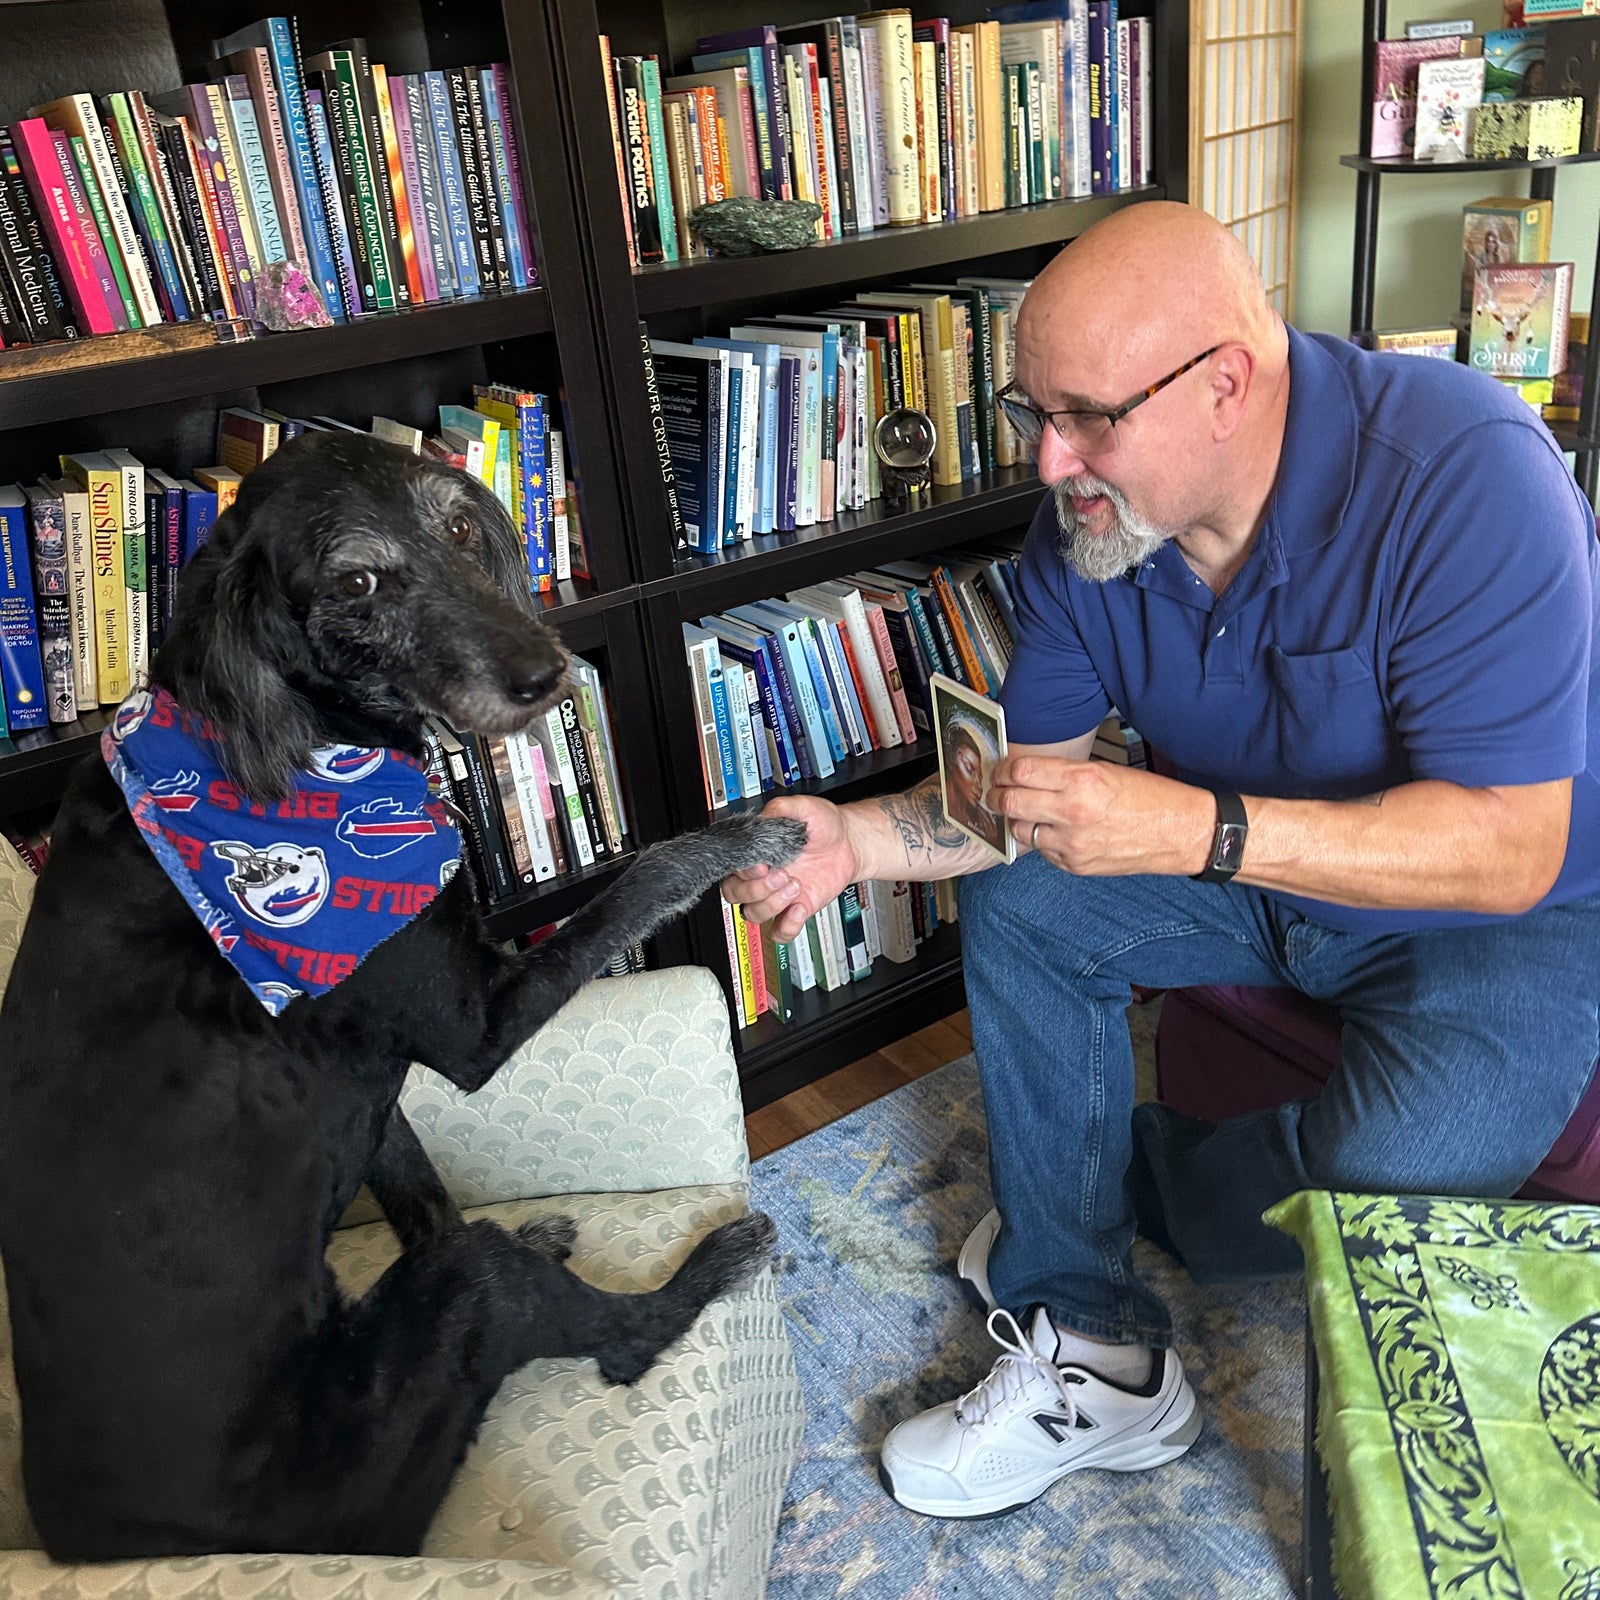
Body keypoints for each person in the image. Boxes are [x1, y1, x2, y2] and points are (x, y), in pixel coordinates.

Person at [722, 201, 1600, 1521]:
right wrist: (858, 840)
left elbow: (1512, 848)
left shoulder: (1465, 471)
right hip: (1252, 871)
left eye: (1086, 418)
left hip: (1503, 910)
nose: (1049, 460)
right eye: (1032, 414)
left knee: (1392, 1167)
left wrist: (1199, 829)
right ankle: (1096, 1346)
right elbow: (1012, 804)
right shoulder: (1093, 529)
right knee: (1024, 898)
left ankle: (1135, 1184)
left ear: (1225, 385)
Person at [942, 719, 1004, 851]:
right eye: (969, 769)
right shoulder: (942, 798)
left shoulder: (986, 822)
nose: (979, 787)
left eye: (980, 779)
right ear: (951, 760)